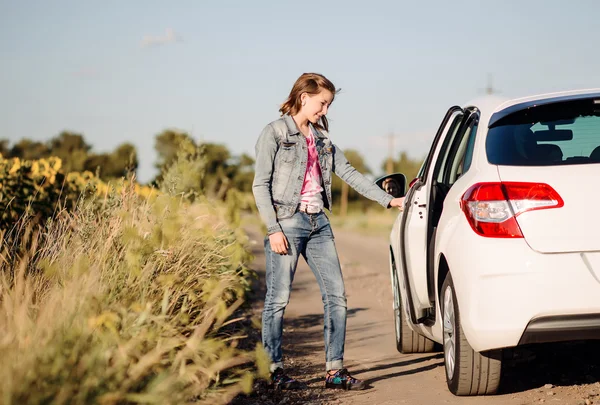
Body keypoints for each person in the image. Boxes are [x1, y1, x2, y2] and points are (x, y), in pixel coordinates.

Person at [252, 73, 404, 391]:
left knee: (337, 297)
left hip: (318, 223)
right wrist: (273, 229)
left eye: (328, 105)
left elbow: (348, 172)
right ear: (304, 96)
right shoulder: (275, 133)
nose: (324, 110)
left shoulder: (322, 140)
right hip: (287, 222)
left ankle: (334, 370)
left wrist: (389, 201)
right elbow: (260, 185)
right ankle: (273, 371)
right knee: (277, 300)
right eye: (322, 103)